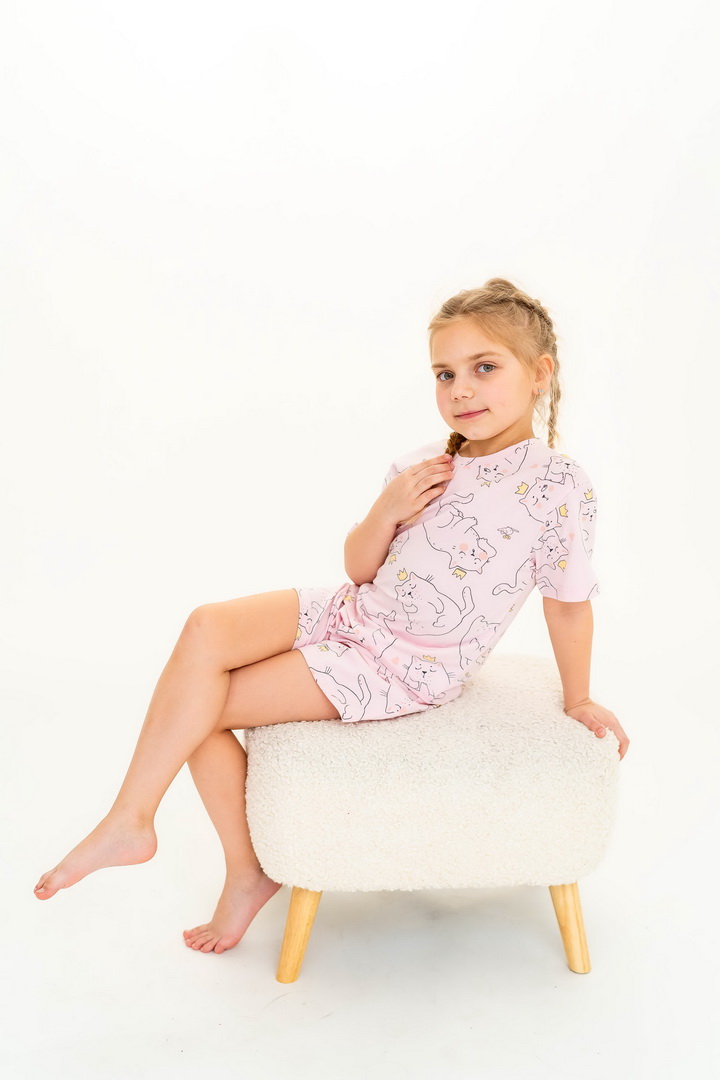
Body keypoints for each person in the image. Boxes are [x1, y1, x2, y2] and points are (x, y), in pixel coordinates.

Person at [33, 277, 630, 955]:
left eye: (484, 368)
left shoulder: (557, 485)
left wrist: (578, 697)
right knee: (204, 628)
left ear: (539, 374)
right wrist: (388, 509)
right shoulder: (424, 465)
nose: (461, 390)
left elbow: (567, 602)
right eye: (445, 374)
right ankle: (132, 817)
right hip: (352, 612)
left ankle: (238, 870)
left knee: (203, 707)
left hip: (404, 664)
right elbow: (359, 568)